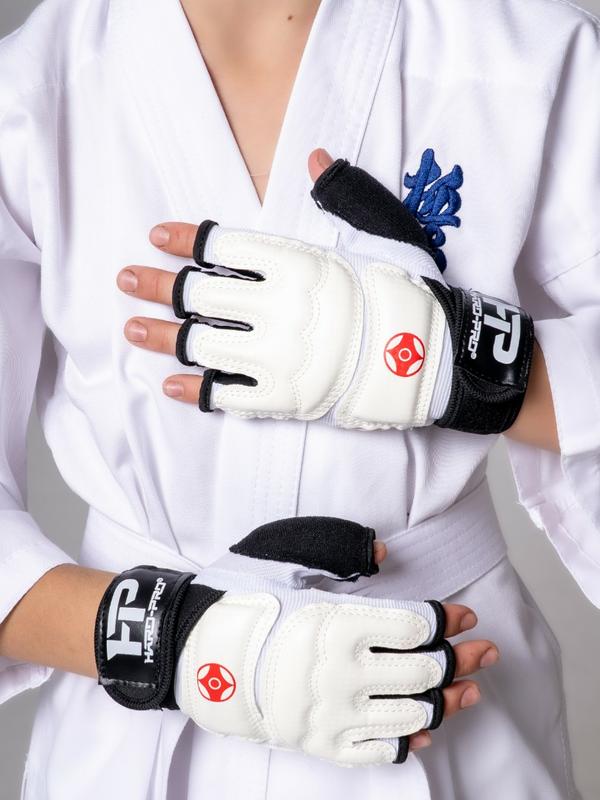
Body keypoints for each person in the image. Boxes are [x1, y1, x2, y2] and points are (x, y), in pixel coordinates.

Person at [0, 0, 598, 797]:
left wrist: (447, 361)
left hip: (444, 685)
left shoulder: (527, 53)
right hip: (134, 733)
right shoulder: (30, 90)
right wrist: (182, 643)